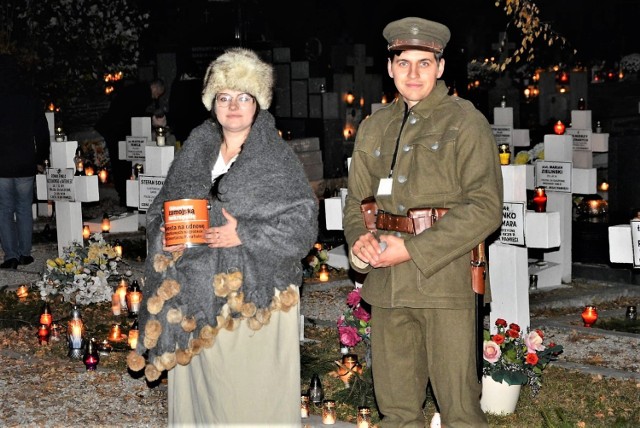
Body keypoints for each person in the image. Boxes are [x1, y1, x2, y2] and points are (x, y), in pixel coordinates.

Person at [126, 47, 318, 426]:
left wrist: (243, 233)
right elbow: (159, 209)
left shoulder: (275, 159)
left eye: (243, 97)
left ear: (258, 104)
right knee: (201, 399)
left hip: (252, 300)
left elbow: (303, 226)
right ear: (212, 102)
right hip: (194, 294)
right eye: (224, 97)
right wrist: (167, 234)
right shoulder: (195, 150)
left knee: (245, 400)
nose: (233, 106)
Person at [342, 17, 503, 427]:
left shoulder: (464, 122)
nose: (413, 73)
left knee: (460, 411)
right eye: (404, 63)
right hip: (387, 287)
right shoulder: (374, 127)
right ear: (391, 67)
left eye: (424, 63)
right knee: (395, 411)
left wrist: (411, 249)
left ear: (441, 67)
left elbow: (484, 207)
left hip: (444, 282)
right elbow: (358, 201)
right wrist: (360, 241)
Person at [0, 54, 50, 269]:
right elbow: (41, 129)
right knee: (23, 208)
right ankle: (25, 253)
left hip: (2, 163)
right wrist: (41, 157)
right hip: (24, 160)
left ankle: (10, 255)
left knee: (4, 210)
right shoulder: (29, 95)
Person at [94, 78, 166, 206]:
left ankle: (124, 195)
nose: (156, 97)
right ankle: (124, 196)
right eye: (157, 94)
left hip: (116, 129)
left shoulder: (138, 89)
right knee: (120, 164)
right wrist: (152, 119)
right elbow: (135, 116)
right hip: (116, 131)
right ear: (154, 88)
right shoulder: (142, 94)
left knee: (120, 164)